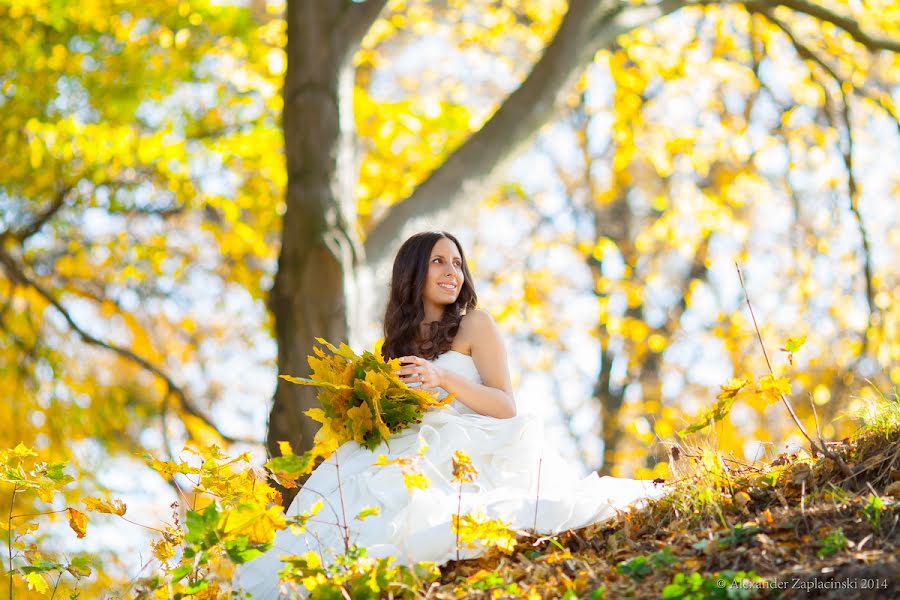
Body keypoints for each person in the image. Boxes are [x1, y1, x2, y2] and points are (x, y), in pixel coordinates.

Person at [232, 231, 670, 599]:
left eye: (457, 263)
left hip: (473, 443)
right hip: (412, 445)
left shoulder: (475, 325)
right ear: (412, 273)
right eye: (439, 262)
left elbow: (505, 406)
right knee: (349, 475)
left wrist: (443, 377)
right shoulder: (394, 347)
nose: (451, 272)